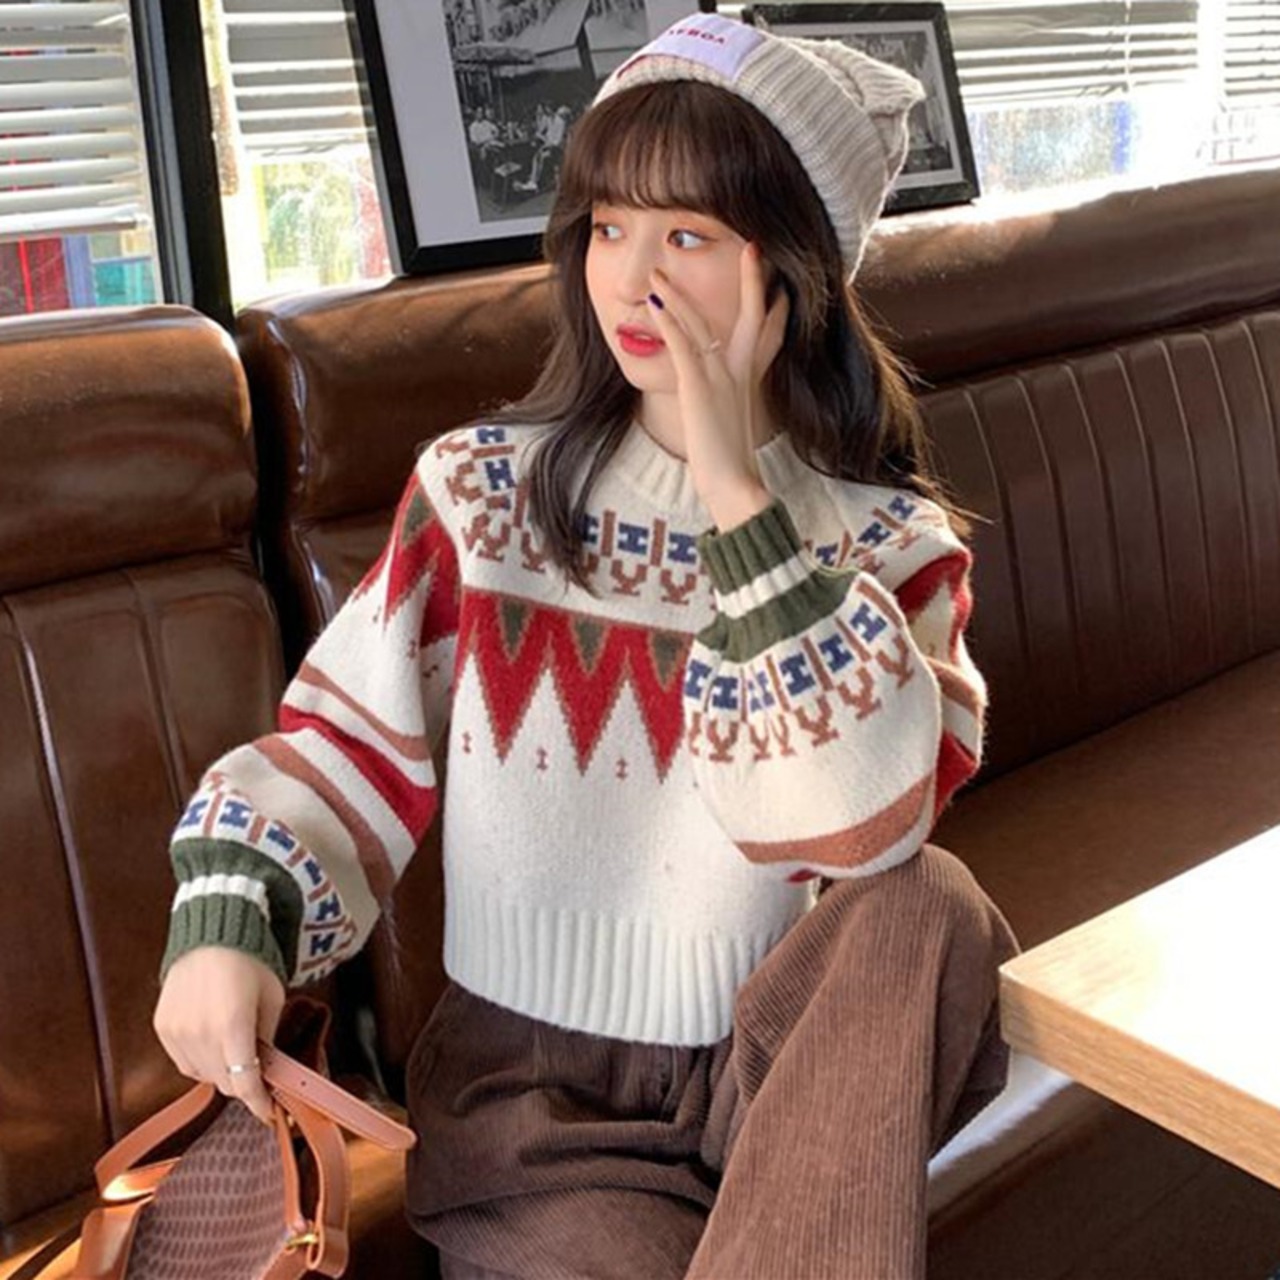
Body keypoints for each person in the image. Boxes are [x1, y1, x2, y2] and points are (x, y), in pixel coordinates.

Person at [153, 13, 1018, 1279]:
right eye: (608, 227)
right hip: (531, 1109)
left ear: (792, 270)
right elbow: (342, 755)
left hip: (779, 1083)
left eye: (686, 235)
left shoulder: (889, 549)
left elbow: (860, 831)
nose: (632, 279)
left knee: (928, 905)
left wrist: (738, 498)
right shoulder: (483, 499)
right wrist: (233, 920)